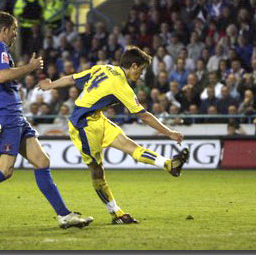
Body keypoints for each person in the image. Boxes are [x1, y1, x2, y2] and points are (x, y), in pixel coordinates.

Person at [0, 11, 92, 232]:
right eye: (14, 30)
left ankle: (64, 215)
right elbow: (3, 76)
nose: (15, 34)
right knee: (4, 169)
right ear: (4, 29)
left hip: (12, 114)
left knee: (42, 161)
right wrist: (30, 68)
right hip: (5, 114)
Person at [38, 46, 190, 224]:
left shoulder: (103, 68)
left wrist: (50, 85)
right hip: (83, 125)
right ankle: (115, 213)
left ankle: (169, 164)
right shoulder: (122, 86)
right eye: (141, 71)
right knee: (97, 171)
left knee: (131, 147)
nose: (140, 75)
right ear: (133, 66)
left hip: (97, 118)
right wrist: (169, 133)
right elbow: (143, 115)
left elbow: (73, 78)